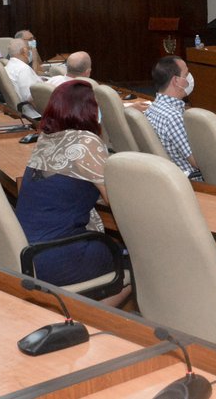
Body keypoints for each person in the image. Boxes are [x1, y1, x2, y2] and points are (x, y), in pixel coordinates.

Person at [15, 80, 130, 305]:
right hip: (56, 256)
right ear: (89, 111)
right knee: (136, 262)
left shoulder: (45, 140)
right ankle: (85, 323)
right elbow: (117, 202)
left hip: (25, 253)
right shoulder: (86, 142)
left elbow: (69, 188)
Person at [145, 56, 198, 176]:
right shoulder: (173, 117)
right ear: (176, 81)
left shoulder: (152, 109)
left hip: (167, 177)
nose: (189, 79)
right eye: (186, 75)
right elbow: (198, 163)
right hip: (191, 181)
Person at [4, 38, 43, 118]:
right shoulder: (22, 69)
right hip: (34, 115)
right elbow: (31, 98)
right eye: (29, 49)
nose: (30, 52)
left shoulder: (10, 66)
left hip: (24, 111)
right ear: (24, 51)